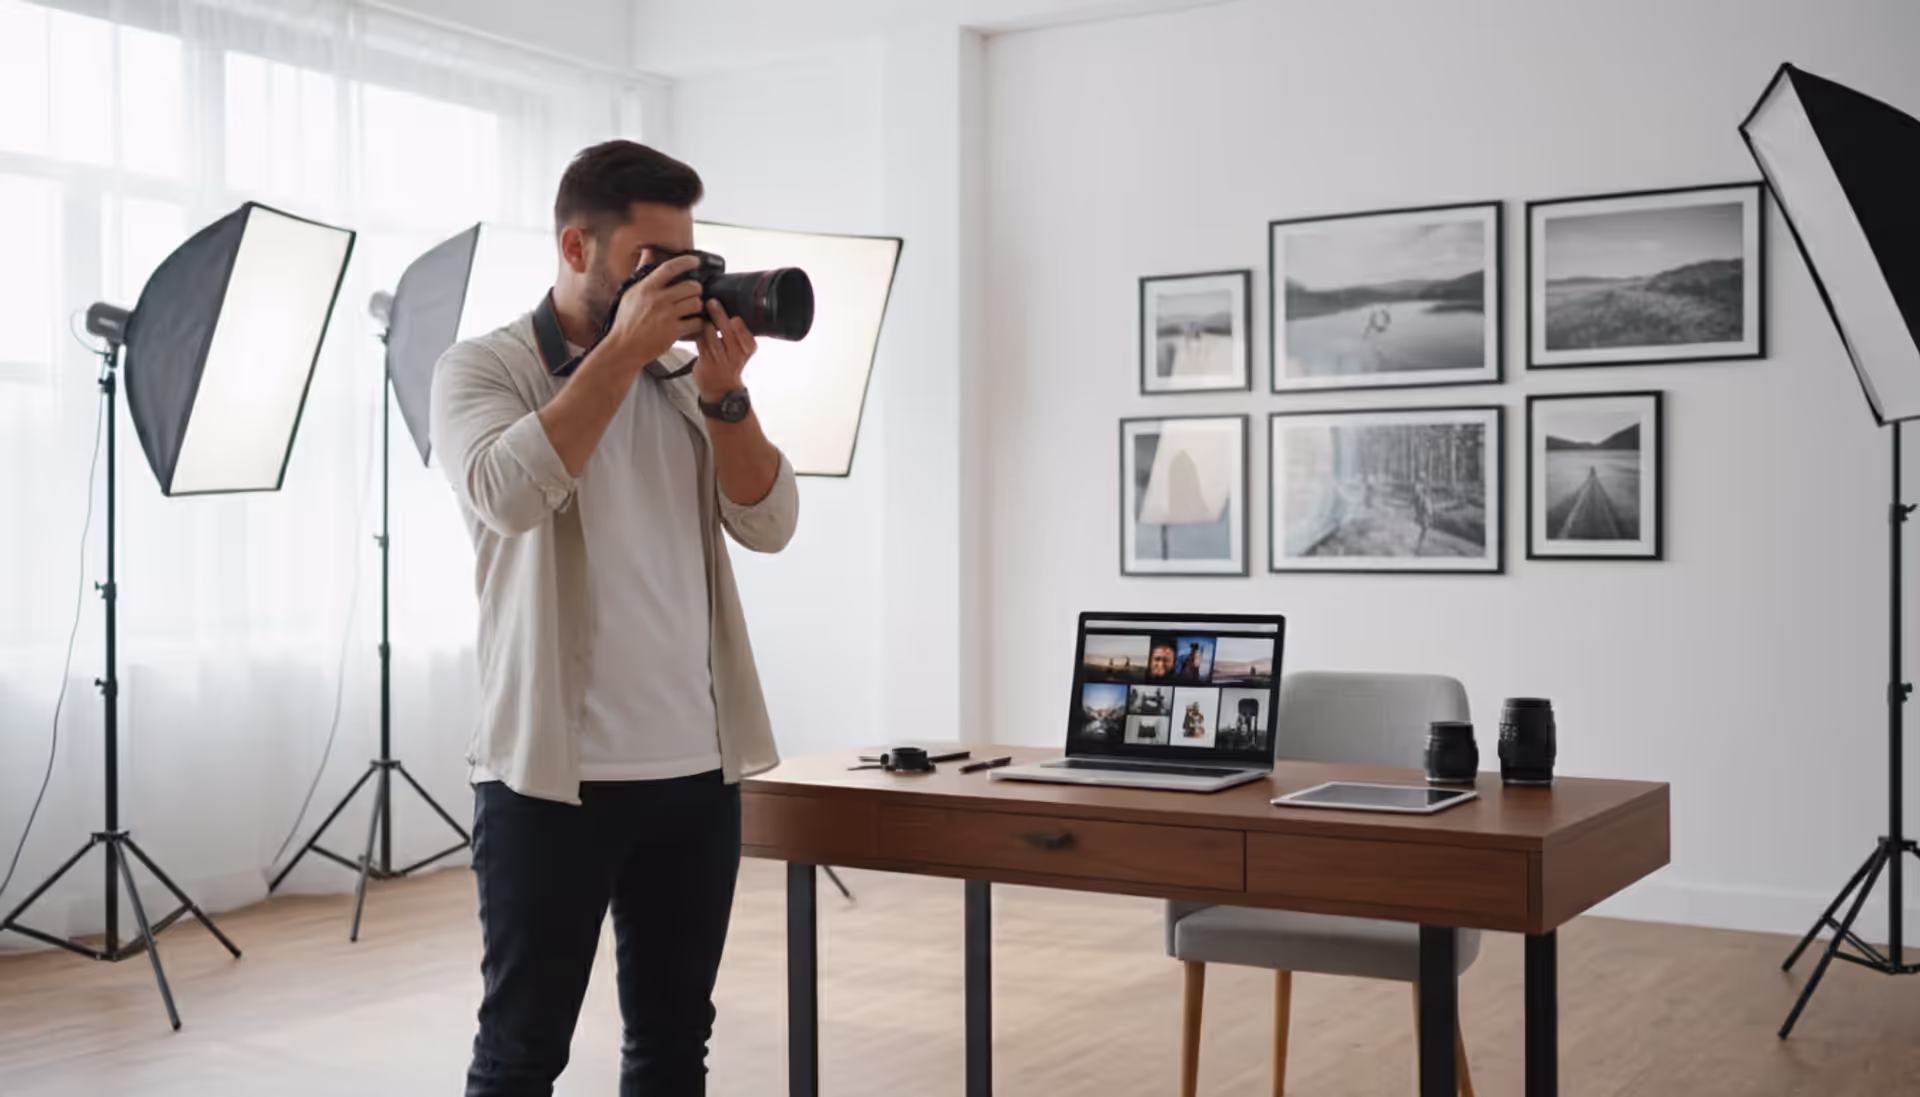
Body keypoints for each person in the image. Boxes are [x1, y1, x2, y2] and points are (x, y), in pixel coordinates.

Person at [429, 140, 799, 1097]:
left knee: (675, 1048)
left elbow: (770, 520)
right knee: (521, 1053)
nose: (672, 285)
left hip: (693, 772)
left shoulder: (685, 383)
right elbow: (506, 494)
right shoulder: (482, 369)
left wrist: (726, 398)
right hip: (554, 782)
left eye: (685, 262)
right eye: (649, 263)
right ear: (576, 246)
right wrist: (623, 351)